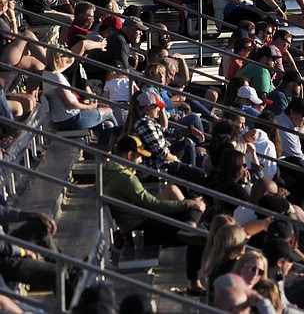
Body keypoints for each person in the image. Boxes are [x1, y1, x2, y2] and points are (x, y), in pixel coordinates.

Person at [103, 135, 206, 294]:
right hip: (141, 233)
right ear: (130, 155)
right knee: (199, 232)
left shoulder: (107, 170)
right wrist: (188, 203)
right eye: (139, 157)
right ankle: (194, 284)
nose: (140, 162)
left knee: (193, 215)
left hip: (136, 227)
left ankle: (190, 226)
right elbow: (152, 205)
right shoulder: (125, 178)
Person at [42, 47, 117, 132]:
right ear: (56, 59)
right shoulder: (57, 78)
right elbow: (70, 103)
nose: (67, 59)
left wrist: (70, 56)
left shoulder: (48, 74)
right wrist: (89, 107)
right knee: (108, 111)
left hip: (62, 119)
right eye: (64, 56)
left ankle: (107, 144)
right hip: (70, 118)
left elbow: (69, 63)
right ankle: (121, 138)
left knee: (107, 125)